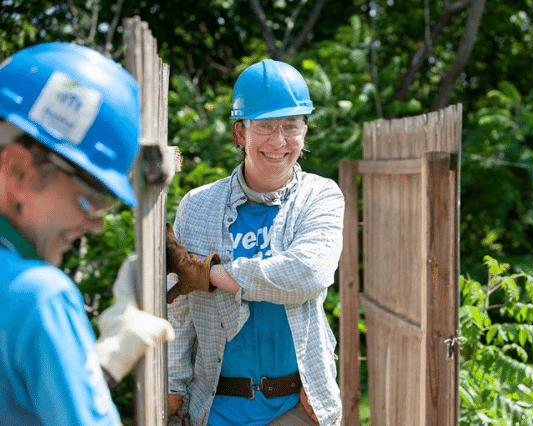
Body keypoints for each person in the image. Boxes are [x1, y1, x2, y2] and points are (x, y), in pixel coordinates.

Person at [0, 42, 174, 425]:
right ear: (19, 170)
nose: (95, 225)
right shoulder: (38, 297)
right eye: (89, 199)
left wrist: (94, 371)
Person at [166, 59, 344, 426]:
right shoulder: (198, 207)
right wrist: (173, 388)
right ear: (241, 132)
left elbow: (307, 274)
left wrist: (213, 274)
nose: (279, 141)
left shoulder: (320, 197)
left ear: (304, 131)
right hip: (215, 408)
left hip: (295, 406)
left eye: (291, 126)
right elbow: (181, 311)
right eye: (264, 126)